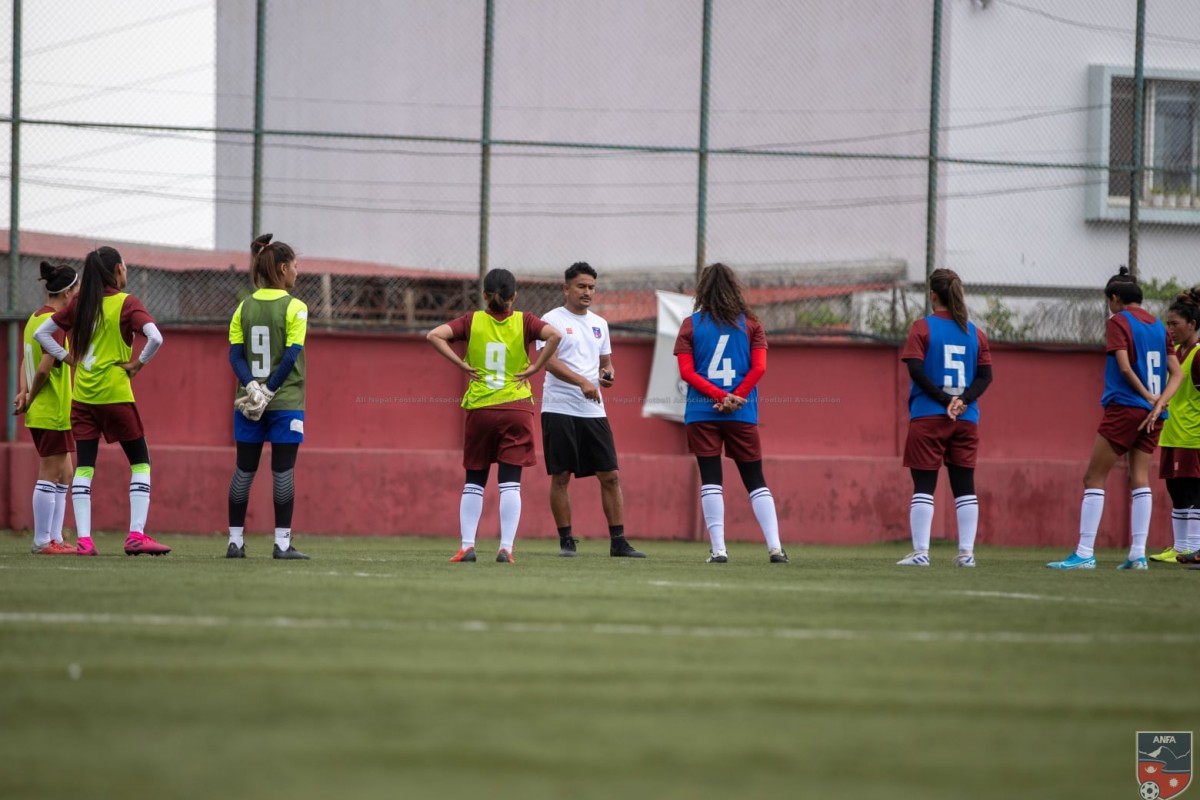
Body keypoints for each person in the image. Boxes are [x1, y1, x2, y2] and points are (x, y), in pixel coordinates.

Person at [33, 246, 166, 556]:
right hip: (116, 395)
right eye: (124, 267)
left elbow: (43, 334)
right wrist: (137, 364)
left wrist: (68, 359)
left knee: (85, 467)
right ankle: (135, 535)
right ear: (118, 270)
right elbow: (156, 337)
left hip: (83, 397)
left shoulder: (80, 303)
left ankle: (84, 540)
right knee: (141, 462)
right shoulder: (126, 303)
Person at [1048, 267, 1180, 570]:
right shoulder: (1159, 326)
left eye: (1109, 301)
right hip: (1154, 414)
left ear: (1115, 298)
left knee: (1093, 477)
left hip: (1125, 407)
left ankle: (1084, 553)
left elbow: (1123, 366)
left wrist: (1147, 395)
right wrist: (1159, 402)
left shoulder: (1118, 321)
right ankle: (1137, 554)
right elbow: (1178, 372)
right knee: (1140, 478)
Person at [427, 268, 561, 564]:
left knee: (474, 480)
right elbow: (555, 334)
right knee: (510, 482)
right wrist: (536, 367)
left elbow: (434, 335)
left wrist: (460, 365)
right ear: (514, 296)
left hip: (481, 408)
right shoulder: (524, 321)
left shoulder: (471, 321)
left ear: (484, 295)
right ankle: (506, 548)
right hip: (516, 407)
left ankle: (467, 546)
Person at [673, 262, 786, 564]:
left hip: (702, 412)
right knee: (756, 480)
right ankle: (775, 548)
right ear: (735, 289)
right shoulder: (752, 324)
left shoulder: (690, 324)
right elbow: (759, 367)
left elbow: (686, 372)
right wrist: (736, 398)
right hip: (742, 413)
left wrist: (719, 396)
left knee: (711, 480)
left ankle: (719, 550)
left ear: (702, 290)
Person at [538, 262, 645, 558]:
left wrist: (607, 375)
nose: (587, 292)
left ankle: (619, 542)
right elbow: (549, 362)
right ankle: (567, 541)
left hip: (593, 409)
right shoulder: (551, 320)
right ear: (566, 288)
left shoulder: (600, 323)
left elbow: (606, 363)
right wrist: (583, 382)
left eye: (592, 287)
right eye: (581, 286)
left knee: (610, 475)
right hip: (558, 407)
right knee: (561, 476)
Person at [896, 268, 994, 567]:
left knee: (924, 485)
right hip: (966, 419)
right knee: (964, 484)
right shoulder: (975, 333)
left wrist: (944, 400)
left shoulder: (922, 328)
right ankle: (967, 554)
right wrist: (962, 401)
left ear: (932, 295)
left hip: (929, 417)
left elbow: (915, 369)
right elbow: (985, 377)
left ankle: (921, 552)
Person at [225, 234, 311, 560]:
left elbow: (235, 356)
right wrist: (269, 391)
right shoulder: (296, 307)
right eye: (296, 267)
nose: (298, 273)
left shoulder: (243, 306)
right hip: (285, 402)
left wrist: (251, 387)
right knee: (283, 471)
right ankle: (283, 544)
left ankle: (235, 542)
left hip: (248, 404)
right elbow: (291, 356)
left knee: (244, 470)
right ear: (283, 268)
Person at [12, 262, 80, 555]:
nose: (77, 296)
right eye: (76, 290)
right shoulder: (56, 323)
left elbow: (23, 361)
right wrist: (30, 397)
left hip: (50, 410)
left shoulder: (33, 319)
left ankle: (55, 536)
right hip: (49, 409)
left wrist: (23, 392)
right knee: (50, 473)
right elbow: (42, 368)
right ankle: (42, 540)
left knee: (66, 472)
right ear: (66, 292)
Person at [1147, 288, 1200, 566]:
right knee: (1176, 491)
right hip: (1172, 434)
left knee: (1193, 492)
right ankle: (1179, 548)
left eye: (1175, 324)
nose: (1170, 329)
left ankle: (1195, 547)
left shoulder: (1198, 355)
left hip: (1193, 437)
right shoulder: (1176, 354)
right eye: (1168, 324)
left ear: (1192, 324)